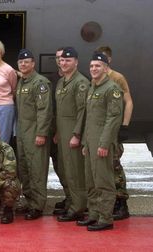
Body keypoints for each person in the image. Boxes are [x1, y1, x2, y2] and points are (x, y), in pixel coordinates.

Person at [78, 52, 123, 231]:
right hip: (90, 143)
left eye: (97, 66)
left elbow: (113, 119)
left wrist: (104, 144)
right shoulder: (92, 88)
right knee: (91, 181)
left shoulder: (112, 89)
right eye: (91, 66)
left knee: (104, 181)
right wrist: (84, 143)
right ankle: (94, 214)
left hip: (102, 143)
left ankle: (106, 218)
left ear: (105, 68)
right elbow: (88, 119)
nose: (94, 69)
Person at [96, 46, 134, 220]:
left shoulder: (117, 78)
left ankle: (121, 204)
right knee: (103, 167)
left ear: (109, 60)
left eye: (103, 58)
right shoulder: (96, 78)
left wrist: (124, 126)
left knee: (115, 166)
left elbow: (128, 101)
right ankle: (108, 203)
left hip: (113, 129)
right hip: (99, 130)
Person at [15, 49, 52, 220]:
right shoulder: (22, 82)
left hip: (35, 134)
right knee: (24, 169)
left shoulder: (40, 83)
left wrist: (42, 133)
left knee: (37, 170)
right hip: (23, 134)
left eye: (26, 62)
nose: (23, 64)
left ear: (33, 64)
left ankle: (37, 206)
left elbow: (44, 110)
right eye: (21, 62)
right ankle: (29, 201)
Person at [54, 47, 89, 222]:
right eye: (62, 60)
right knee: (65, 169)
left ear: (76, 62)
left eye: (68, 60)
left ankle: (79, 207)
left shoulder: (80, 83)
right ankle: (72, 202)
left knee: (75, 171)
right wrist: (58, 132)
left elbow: (83, 111)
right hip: (63, 132)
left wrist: (77, 134)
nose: (64, 63)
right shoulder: (62, 82)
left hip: (73, 133)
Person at [48, 47, 71, 215]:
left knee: (69, 166)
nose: (60, 61)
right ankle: (70, 198)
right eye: (58, 58)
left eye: (63, 58)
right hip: (53, 127)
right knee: (59, 166)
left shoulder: (78, 79)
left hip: (65, 129)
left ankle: (75, 199)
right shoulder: (54, 79)